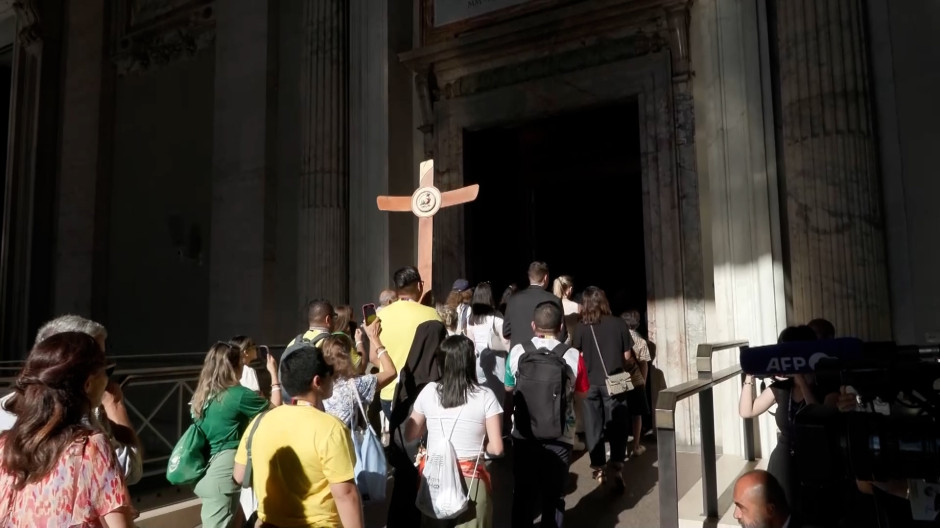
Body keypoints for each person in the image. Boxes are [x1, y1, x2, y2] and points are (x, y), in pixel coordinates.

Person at [0, 332, 136, 527]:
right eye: (106, 371)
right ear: (88, 384)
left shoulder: (6, 444)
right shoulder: (90, 447)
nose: (108, 381)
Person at [234, 339, 364, 528]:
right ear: (317, 381)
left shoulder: (259, 422)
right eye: (329, 374)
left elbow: (238, 476)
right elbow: (345, 494)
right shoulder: (331, 429)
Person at [0, 314, 142, 485]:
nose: (106, 374)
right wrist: (115, 405)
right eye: (99, 363)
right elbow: (129, 472)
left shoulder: (6, 407)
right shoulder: (84, 428)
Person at [405, 335, 504, 527]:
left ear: (442, 363)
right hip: (472, 482)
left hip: (435, 479)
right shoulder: (486, 396)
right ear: (470, 362)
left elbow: (410, 434)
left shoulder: (429, 391)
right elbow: (497, 449)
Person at [738, 326, 838, 513]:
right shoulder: (782, 388)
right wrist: (749, 376)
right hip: (782, 462)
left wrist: (800, 378)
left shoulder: (827, 385)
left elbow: (818, 416)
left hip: (815, 461)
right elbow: (747, 411)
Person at [506, 302, 580, 528]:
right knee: (554, 494)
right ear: (561, 326)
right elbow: (582, 393)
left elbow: (509, 388)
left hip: (523, 433)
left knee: (522, 492)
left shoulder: (518, 351)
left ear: (533, 325)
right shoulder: (573, 355)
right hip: (560, 435)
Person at [191, 341, 277, 528]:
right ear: (235, 367)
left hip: (206, 470)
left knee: (237, 521)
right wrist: (274, 376)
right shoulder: (238, 395)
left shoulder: (202, 395)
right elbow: (275, 411)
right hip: (225, 475)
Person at [572, 287, 638, 491]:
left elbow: (576, 355)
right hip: (616, 378)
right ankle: (617, 465)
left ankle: (599, 467)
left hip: (590, 382)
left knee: (593, 426)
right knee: (618, 424)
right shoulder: (618, 323)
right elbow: (627, 356)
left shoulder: (582, 327)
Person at [322, 324, 398, 429]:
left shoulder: (319, 385)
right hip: (349, 442)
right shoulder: (357, 385)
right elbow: (391, 372)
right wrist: (375, 339)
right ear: (348, 356)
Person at [464, 282, 511, 430]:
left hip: (478, 362)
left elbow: (470, 342)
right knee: (496, 401)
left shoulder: (471, 318)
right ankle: (497, 432)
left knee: (479, 398)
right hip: (496, 362)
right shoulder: (496, 317)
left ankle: (481, 431)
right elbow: (506, 342)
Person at [502, 261, 566, 349]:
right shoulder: (554, 300)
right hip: (546, 356)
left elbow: (506, 332)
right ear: (546, 277)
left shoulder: (513, 299)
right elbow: (562, 335)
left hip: (519, 357)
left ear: (529, 277)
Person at [620, 310, 651, 455]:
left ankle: (619, 446)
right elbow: (644, 363)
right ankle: (636, 446)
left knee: (619, 413)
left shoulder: (617, 337)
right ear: (637, 324)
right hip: (636, 378)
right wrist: (643, 382)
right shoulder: (640, 341)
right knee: (636, 414)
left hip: (618, 377)